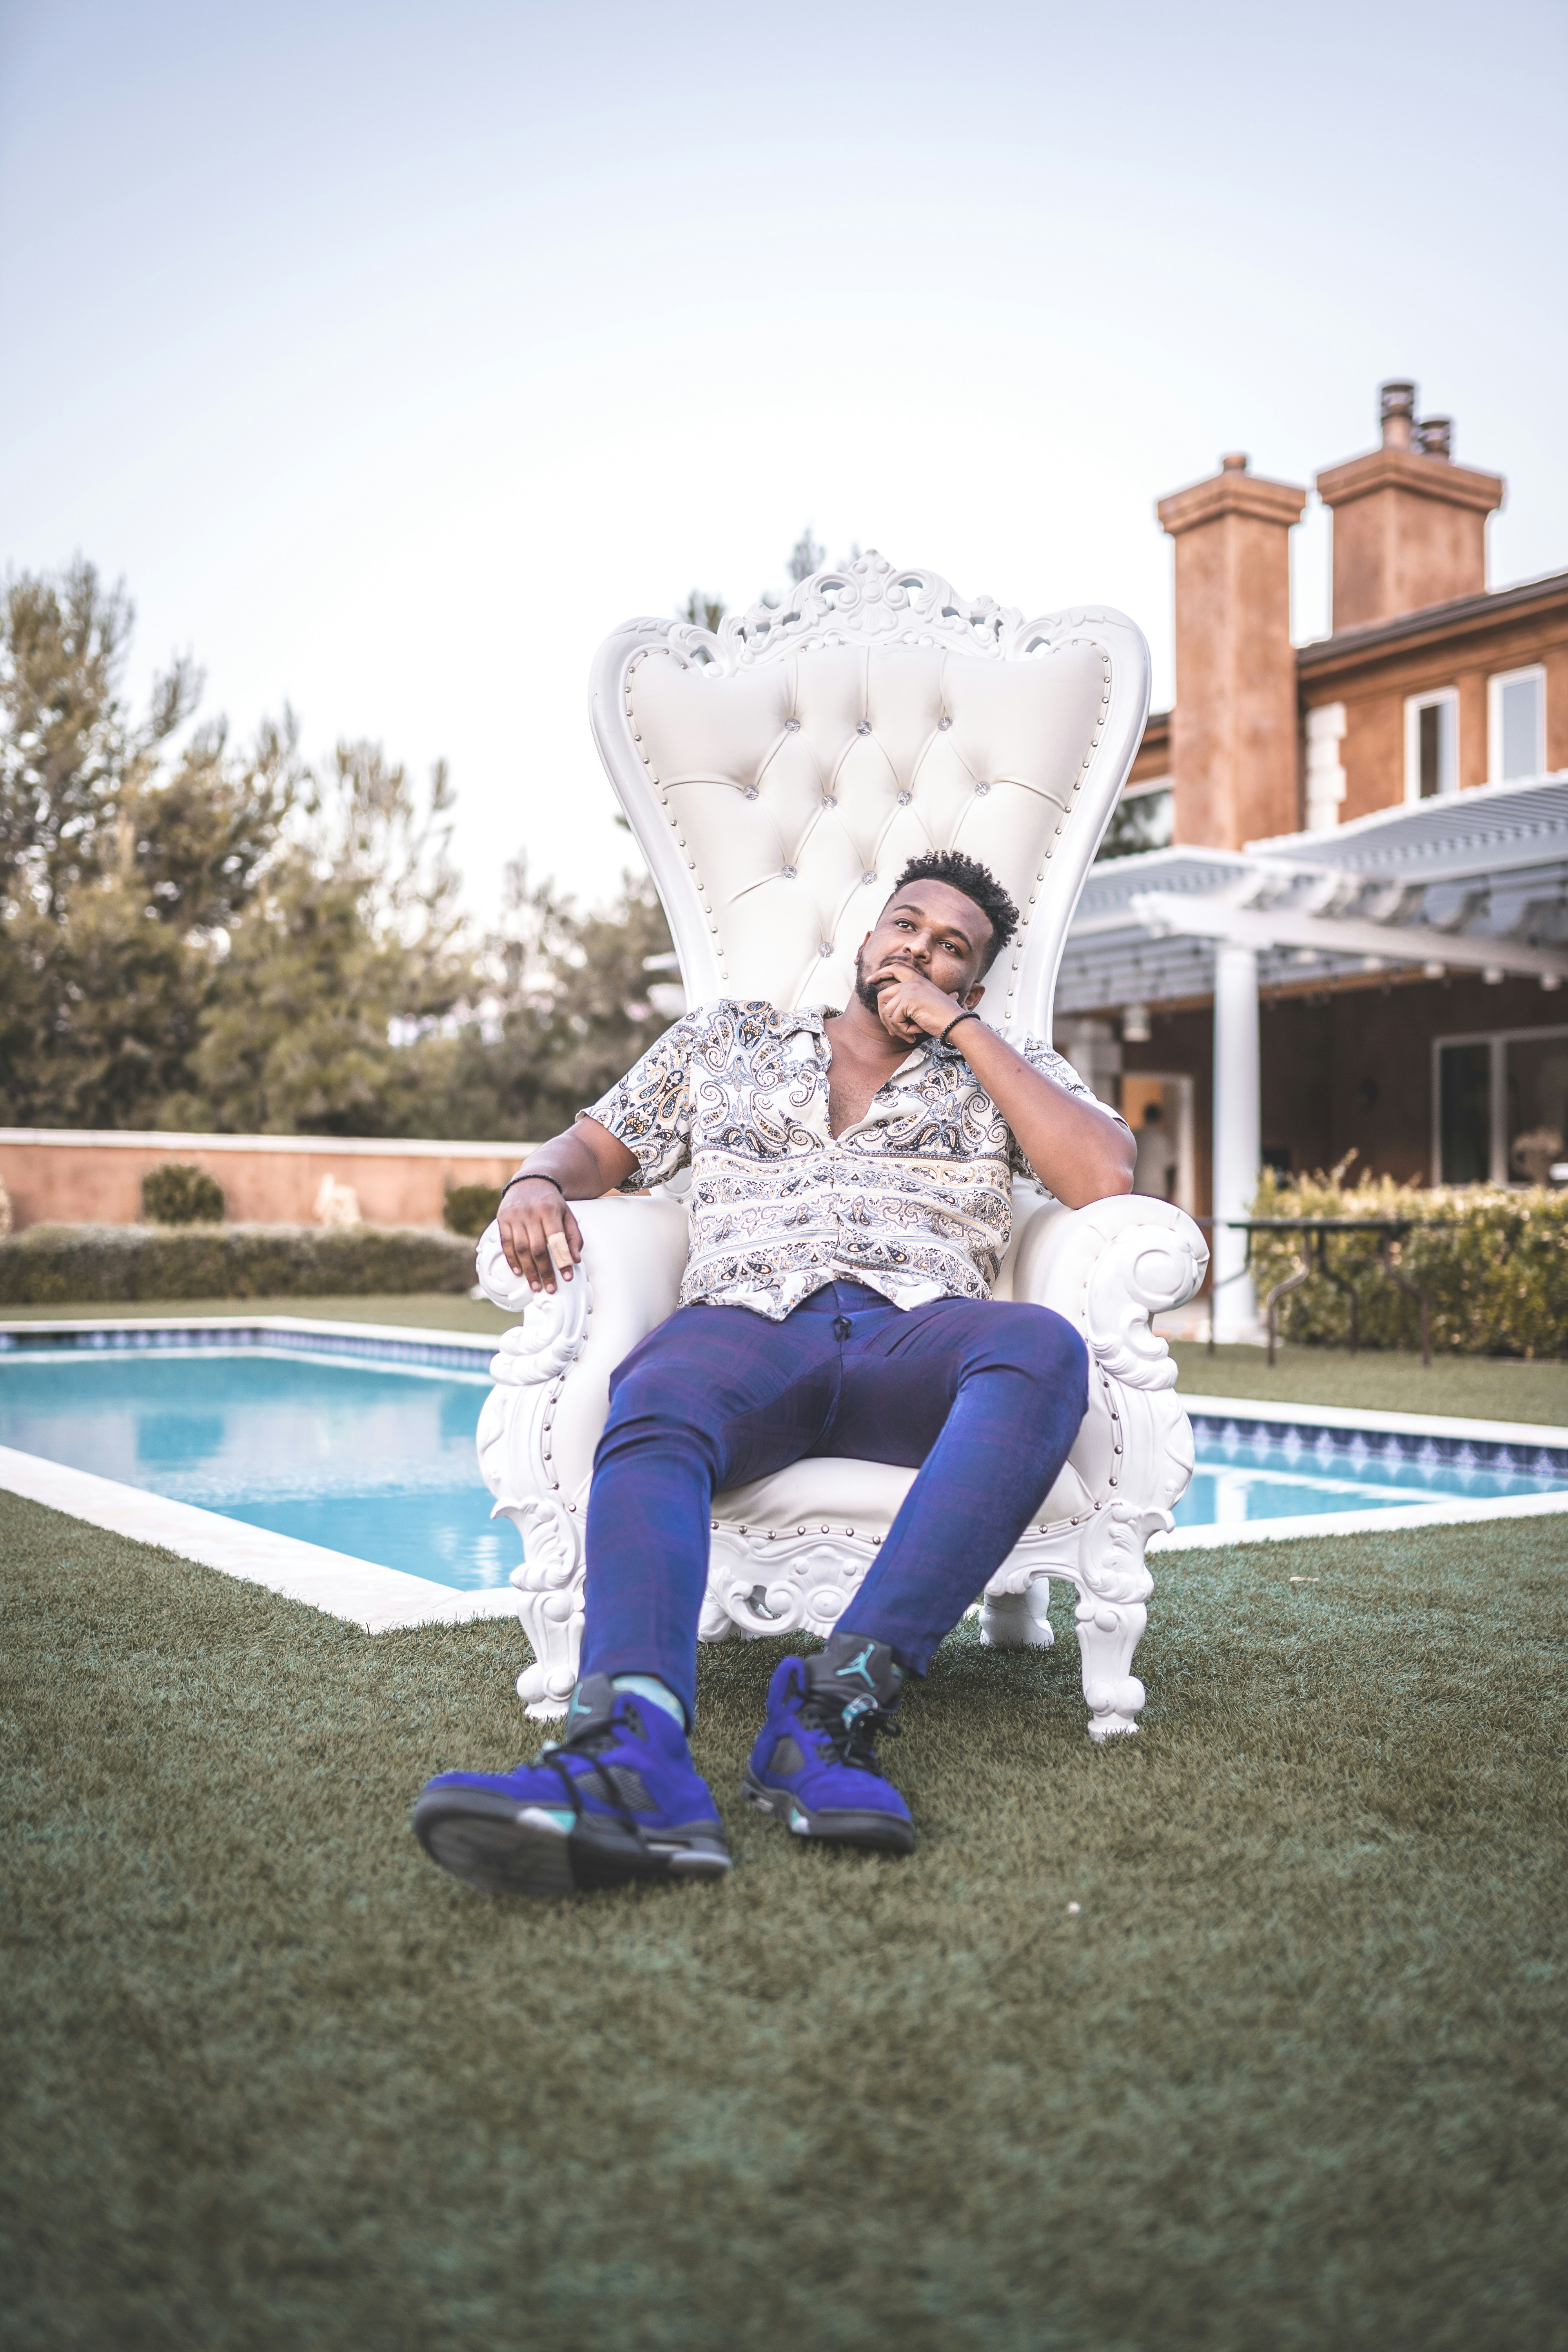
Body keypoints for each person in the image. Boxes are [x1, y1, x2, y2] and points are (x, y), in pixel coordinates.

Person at [413, 849, 1135, 1900]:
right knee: (652, 1397)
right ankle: (632, 1755)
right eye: (907, 926)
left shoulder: (1000, 1061)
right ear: (868, 937)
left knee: (1042, 1350)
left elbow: (1103, 1175)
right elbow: (593, 1146)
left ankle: (832, 1717)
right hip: (744, 1325)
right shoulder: (726, 1039)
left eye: (951, 952)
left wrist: (963, 1034)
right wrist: (533, 1179)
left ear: (970, 985)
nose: (919, 952)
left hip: (914, 1334)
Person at [1132, 1099, 1178, 1202]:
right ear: (1160, 1118)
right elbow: (1171, 1168)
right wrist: (1171, 1193)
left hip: (1136, 1189)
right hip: (1158, 1190)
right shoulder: (1163, 1139)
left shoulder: (1135, 1136)